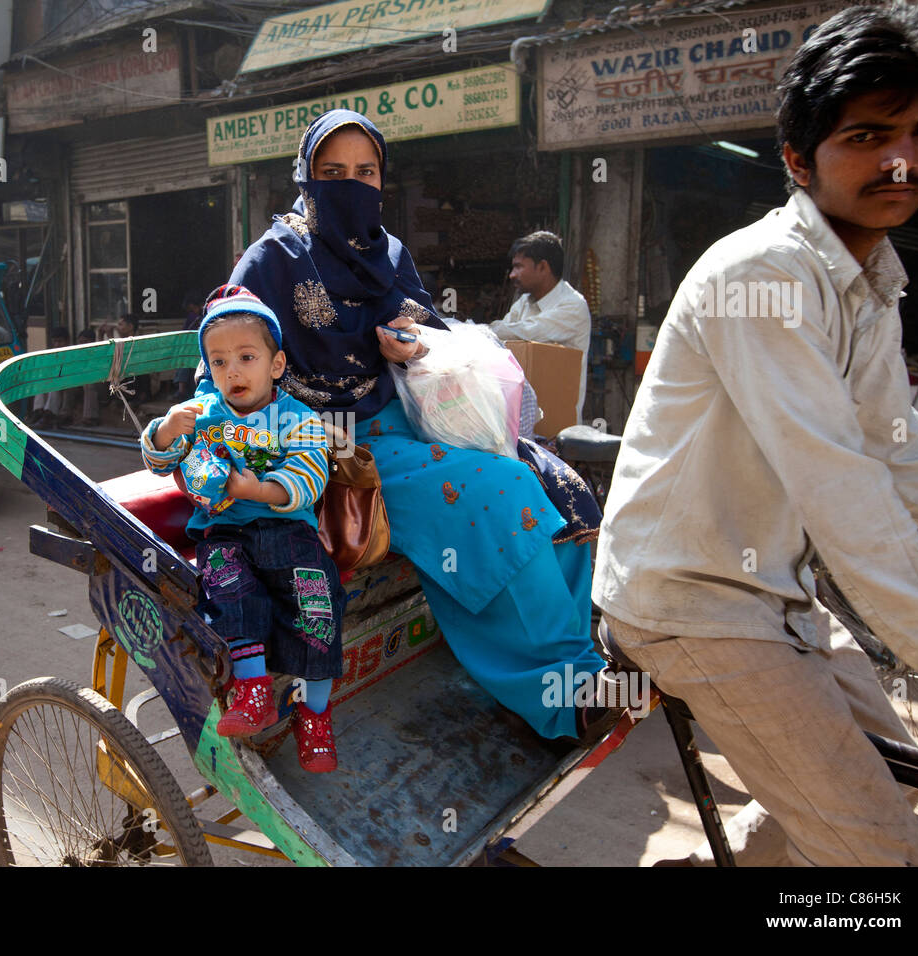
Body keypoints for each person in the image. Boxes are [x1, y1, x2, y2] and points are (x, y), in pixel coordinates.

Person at [593, 2, 918, 866]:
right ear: (798, 159)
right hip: (690, 603)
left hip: (771, 591)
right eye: (868, 135)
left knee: (894, 776)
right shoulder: (766, 277)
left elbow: (904, 455)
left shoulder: (868, 277)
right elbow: (849, 501)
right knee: (884, 865)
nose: (903, 160)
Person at [230, 109, 607, 743]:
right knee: (499, 494)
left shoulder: (390, 253)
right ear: (305, 178)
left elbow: (426, 329)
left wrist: (413, 347)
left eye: (366, 171)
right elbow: (222, 369)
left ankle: (582, 656)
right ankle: (561, 692)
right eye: (333, 173)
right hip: (333, 446)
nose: (352, 185)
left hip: (406, 416)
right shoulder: (272, 261)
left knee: (552, 478)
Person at [141, 285, 344, 772]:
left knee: (318, 610)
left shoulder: (297, 418)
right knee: (227, 588)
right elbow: (156, 458)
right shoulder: (202, 414)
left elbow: (310, 477)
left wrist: (261, 490)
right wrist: (166, 430)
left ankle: (315, 714)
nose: (232, 370)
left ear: (275, 366)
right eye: (218, 361)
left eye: (246, 357)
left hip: (289, 535)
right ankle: (253, 690)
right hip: (224, 534)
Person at [490, 231, 592, 425]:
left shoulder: (572, 305)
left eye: (518, 267)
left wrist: (481, 330)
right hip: (523, 418)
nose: (512, 275)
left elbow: (525, 331)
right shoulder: (524, 303)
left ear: (543, 267)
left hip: (557, 422)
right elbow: (504, 338)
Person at [27, 326, 71, 427]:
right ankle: (38, 410)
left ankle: (49, 414)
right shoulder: (53, 355)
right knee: (41, 381)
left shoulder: (72, 353)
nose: (57, 345)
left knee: (55, 383)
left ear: (67, 341)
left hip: (71, 382)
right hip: (58, 379)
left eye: (60, 342)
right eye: (55, 342)